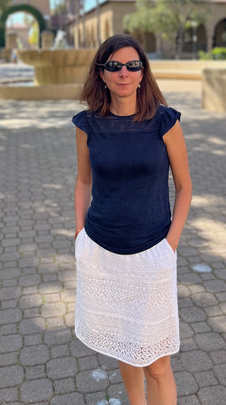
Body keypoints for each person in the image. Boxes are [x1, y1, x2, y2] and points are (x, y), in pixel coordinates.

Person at [72, 34, 192, 405]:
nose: (124, 72)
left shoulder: (164, 122)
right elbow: (83, 181)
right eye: (114, 66)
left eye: (132, 65)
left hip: (151, 253)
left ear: (143, 73)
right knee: (125, 345)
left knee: (156, 363)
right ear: (102, 74)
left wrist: (169, 247)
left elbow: (185, 187)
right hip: (102, 253)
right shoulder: (87, 124)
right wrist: (79, 236)